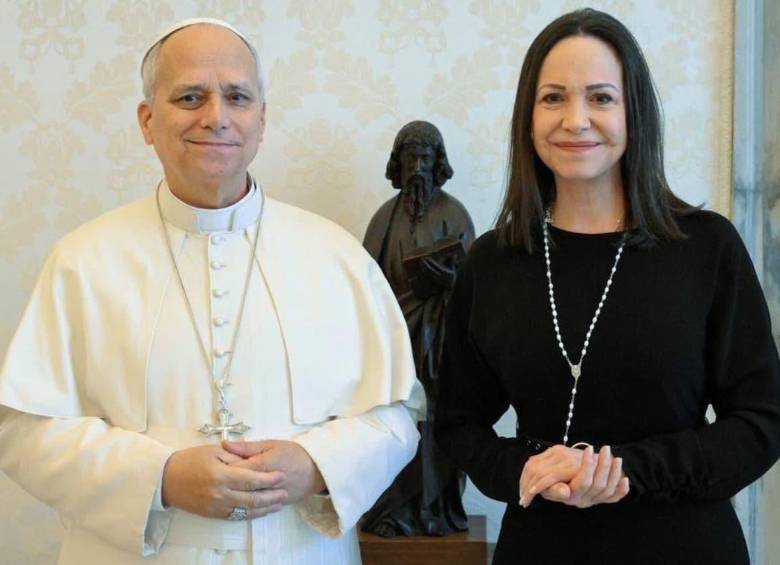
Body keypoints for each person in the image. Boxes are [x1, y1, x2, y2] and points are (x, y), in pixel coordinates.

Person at [0, 18, 424, 565]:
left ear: (262, 119)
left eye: (237, 97)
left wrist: (316, 464)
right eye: (190, 97)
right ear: (147, 120)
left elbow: (398, 414)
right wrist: (161, 477)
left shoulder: (336, 255)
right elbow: (24, 429)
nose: (216, 116)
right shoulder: (82, 261)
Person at [435, 8, 780, 565]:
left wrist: (622, 470)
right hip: (541, 547)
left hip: (685, 547)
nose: (576, 121)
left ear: (633, 112)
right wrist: (526, 469)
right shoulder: (493, 262)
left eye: (600, 98)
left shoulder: (706, 246)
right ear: (528, 117)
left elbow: (761, 423)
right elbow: (456, 423)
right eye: (553, 98)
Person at [362, 121, 474, 537]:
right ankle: (392, 512)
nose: (418, 168)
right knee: (394, 422)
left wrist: (447, 281)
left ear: (437, 162)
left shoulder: (455, 215)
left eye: (425, 159)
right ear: (399, 163)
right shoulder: (384, 218)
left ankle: (436, 509)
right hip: (394, 341)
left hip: (441, 343)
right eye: (411, 159)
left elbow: (473, 286)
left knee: (437, 426)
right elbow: (365, 282)